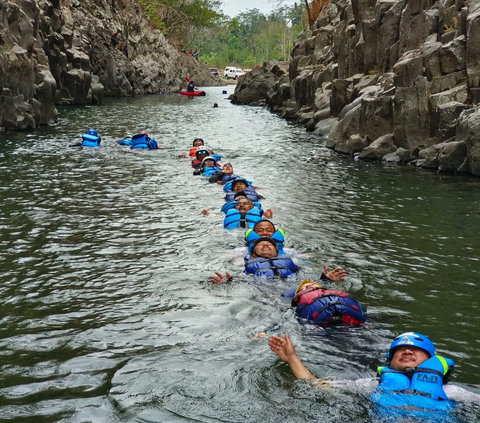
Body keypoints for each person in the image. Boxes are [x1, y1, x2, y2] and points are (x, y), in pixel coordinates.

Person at [268, 332, 480, 419]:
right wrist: (292, 358)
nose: (407, 351)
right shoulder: (371, 385)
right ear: (391, 361)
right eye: (400, 351)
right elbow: (314, 385)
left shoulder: (450, 391)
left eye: (415, 351)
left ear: (431, 360)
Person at [211, 237, 346, 283]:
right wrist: (227, 283)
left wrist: (325, 280)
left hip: (291, 287)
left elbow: (305, 280)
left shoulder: (290, 263)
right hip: (262, 291)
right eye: (260, 245)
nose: (265, 245)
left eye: (270, 245)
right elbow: (242, 281)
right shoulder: (247, 265)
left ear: (277, 252)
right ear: (252, 255)